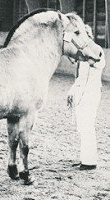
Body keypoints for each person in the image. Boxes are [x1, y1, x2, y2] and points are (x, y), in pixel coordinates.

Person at [67, 25, 106, 170]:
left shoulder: (97, 49)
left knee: (87, 126)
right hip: (81, 93)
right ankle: (85, 158)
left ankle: (90, 162)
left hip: (91, 93)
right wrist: (72, 91)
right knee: (81, 127)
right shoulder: (81, 54)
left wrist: (94, 62)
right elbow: (79, 78)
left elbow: (101, 64)